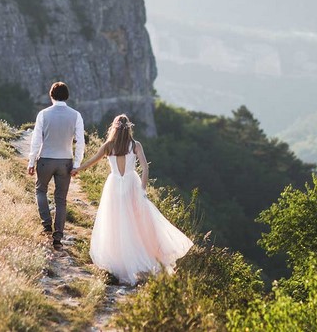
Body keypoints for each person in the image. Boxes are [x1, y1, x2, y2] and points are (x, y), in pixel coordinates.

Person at [73, 114, 193, 285]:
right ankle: (142, 257)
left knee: (115, 223)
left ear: (113, 128)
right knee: (136, 223)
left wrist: (76, 170)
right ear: (129, 128)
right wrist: (142, 190)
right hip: (131, 184)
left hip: (114, 185)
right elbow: (145, 168)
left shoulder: (108, 146)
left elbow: (91, 162)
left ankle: (119, 262)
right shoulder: (135, 145)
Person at [27, 81, 84, 251]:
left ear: (51, 95)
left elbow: (36, 141)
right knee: (61, 200)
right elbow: (80, 142)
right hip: (65, 161)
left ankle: (46, 225)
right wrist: (77, 164)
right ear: (67, 96)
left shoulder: (43, 114)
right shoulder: (76, 115)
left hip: (45, 159)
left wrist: (31, 162)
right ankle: (58, 237)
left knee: (40, 190)